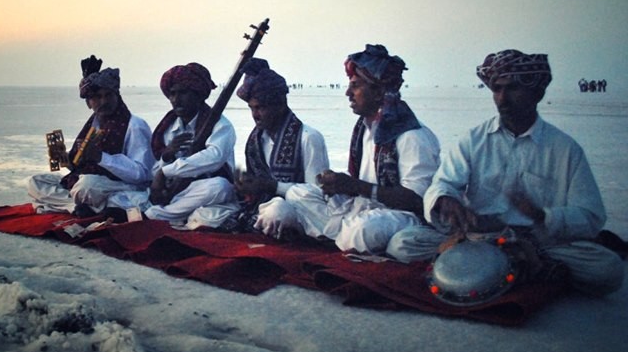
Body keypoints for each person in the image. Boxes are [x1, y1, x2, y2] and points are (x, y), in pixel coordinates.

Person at [387, 50, 624, 295]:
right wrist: (445, 200)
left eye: (513, 89)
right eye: (497, 89)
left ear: (537, 93)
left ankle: (527, 263)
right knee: (402, 244)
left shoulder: (565, 150)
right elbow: (443, 183)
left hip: (538, 243)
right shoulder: (474, 140)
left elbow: (591, 216)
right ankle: (528, 271)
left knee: (608, 269)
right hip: (475, 238)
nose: (502, 98)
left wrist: (543, 216)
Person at [259, 44, 440, 253]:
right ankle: (330, 235)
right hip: (359, 207)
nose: (348, 93)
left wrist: (356, 186)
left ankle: (326, 236)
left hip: (398, 216)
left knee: (361, 232)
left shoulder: (412, 136)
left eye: (355, 86)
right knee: (296, 196)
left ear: (378, 91)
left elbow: (418, 201)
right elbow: (356, 187)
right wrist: (338, 184)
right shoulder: (364, 129)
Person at [27, 56, 154, 216]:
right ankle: (75, 207)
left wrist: (102, 157)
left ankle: (75, 205)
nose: (103, 101)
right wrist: (64, 159)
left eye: (108, 95)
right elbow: (80, 166)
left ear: (117, 96)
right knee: (36, 182)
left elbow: (142, 174)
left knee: (86, 186)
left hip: (122, 186)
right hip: (88, 182)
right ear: (88, 103)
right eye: (97, 97)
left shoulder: (135, 125)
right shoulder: (93, 124)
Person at [233, 59, 330, 234]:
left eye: (260, 108)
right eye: (251, 108)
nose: (255, 115)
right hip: (263, 206)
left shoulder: (309, 137)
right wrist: (245, 186)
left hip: (302, 213)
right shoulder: (255, 140)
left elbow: (316, 195)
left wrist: (271, 186)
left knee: (277, 212)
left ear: (279, 105)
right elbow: (255, 188)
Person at [145, 63, 237, 224]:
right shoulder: (169, 127)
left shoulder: (221, 125)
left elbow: (214, 158)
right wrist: (167, 156)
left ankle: (158, 215)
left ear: (199, 95)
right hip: (180, 193)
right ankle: (172, 213)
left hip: (207, 190)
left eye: (183, 93)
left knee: (220, 186)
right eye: (172, 94)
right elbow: (154, 173)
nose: (176, 100)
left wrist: (166, 171)